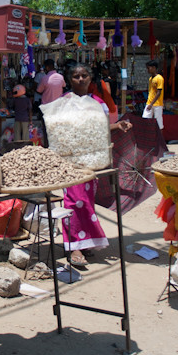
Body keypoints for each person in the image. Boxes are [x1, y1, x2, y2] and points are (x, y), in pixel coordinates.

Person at [63, 64, 133, 266]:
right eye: (76, 76)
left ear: (90, 79)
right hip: (72, 159)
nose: (80, 79)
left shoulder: (99, 103)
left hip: (92, 160)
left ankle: (84, 242)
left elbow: (102, 127)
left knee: (86, 200)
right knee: (73, 201)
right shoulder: (64, 102)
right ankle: (74, 248)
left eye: (84, 75)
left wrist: (117, 125)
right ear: (70, 80)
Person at [143, 60, 165, 129]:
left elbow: (159, 92)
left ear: (154, 68)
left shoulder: (159, 78)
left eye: (149, 68)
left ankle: (160, 138)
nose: (148, 70)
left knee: (159, 124)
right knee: (145, 120)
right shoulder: (150, 79)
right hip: (149, 103)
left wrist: (151, 104)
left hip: (157, 104)